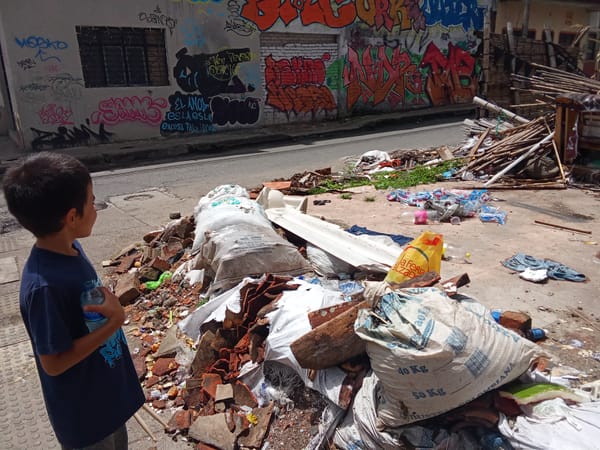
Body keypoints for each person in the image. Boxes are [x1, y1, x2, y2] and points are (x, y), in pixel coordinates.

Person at [2, 152, 144, 449]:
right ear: (71, 216)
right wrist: (115, 321)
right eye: (91, 201)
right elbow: (53, 363)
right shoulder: (43, 287)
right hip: (86, 419)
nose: (96, 208)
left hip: (106, 399)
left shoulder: (71, 249)